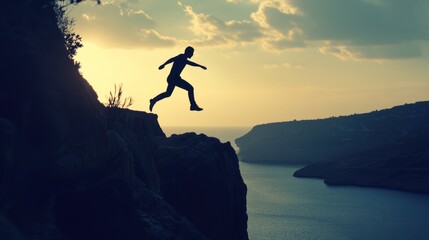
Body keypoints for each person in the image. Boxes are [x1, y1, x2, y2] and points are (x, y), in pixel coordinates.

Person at [149, 46, 207, 112]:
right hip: (174, 78)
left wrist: (164, 64)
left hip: (173, 78)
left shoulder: (183, 58)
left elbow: (188, 62)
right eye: (192, 53)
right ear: (188, 52)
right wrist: (164, 64)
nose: (192, 55)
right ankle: (193, 105)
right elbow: (172, 59)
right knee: (190, 88)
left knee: (168, 93)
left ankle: (153, 100)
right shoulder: (181, 57)